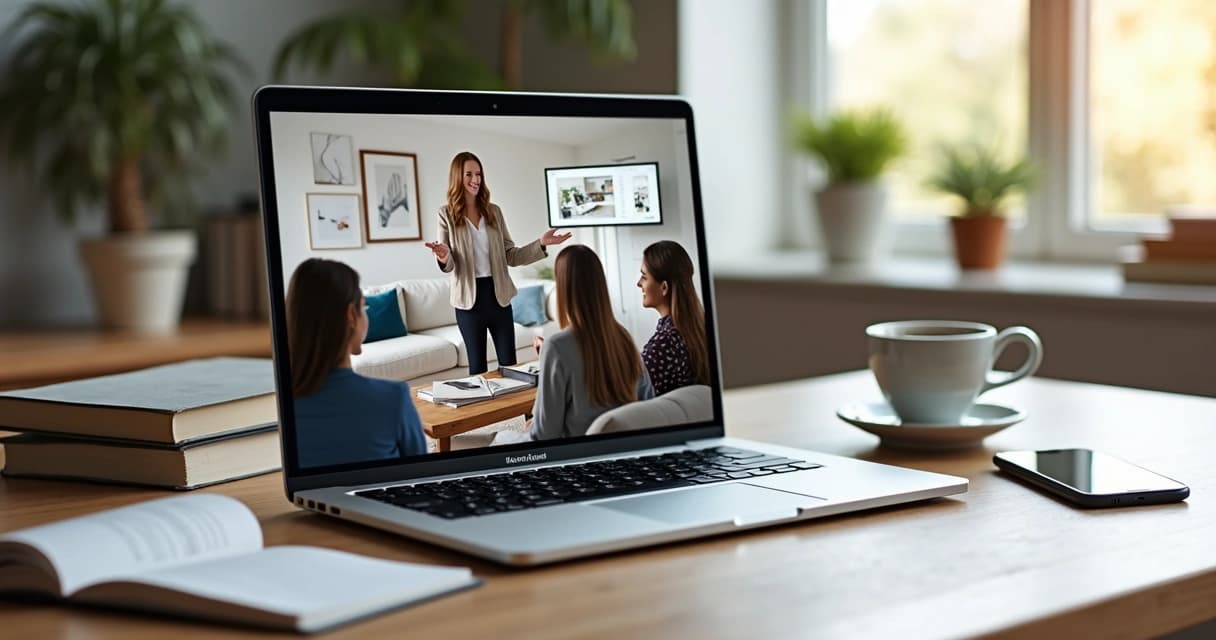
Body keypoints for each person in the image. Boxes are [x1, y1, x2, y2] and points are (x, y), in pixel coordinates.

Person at [425, 151, 571, 374]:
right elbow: (450, 263)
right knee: (478, 369)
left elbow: (510, 255)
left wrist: (541, 243)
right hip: (468, 302)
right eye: (469, 174)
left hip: (499, 298)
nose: (475, 180)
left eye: (479, 174)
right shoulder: (446, 214)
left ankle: (522, 411)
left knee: (509, 364)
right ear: (457, 177)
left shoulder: (494, 212)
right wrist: (443, 255)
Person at [287, 258, 427, 467]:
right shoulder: (392, 398)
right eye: (365, 307)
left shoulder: (281, 404)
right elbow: (423, 474)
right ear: (351, 316)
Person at [530, 245, 654, 441]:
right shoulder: (624, 338)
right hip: (624, 455)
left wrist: (549, 363)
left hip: (574, 462)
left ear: (563, 288)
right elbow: (648, 406)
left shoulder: (556, 347)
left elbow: (544, 435)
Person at [637, 240, 711, 396]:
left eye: (644, 277)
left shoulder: (663, 345)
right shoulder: (700, 329)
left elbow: (628, 395)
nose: (639, 283)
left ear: (664, 287)